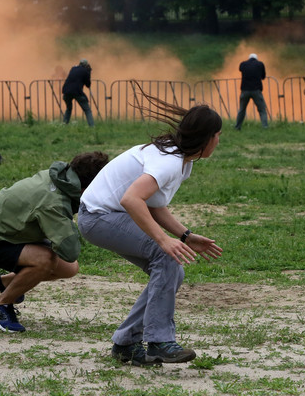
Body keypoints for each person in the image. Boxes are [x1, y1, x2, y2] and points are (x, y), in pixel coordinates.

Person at [77, 87, 224, 366]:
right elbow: (131, 199)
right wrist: (164, 241)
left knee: (172, 271)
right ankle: (159, 342)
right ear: (207, 138)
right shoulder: (169, 162)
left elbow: (152, 203)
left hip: (105, 214)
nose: (219, 141)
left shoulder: (179, 159)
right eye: (218, 136)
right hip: (97, 216)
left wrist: (185, 235)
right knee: (166, 257)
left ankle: (126, 343)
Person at [0, 151, 109, 333]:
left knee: (69, 268)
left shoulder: (61, 178)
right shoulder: (54, 202)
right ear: (87, 187)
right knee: (45, 261)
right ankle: (0, 304)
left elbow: (69, 258)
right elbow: (69, 249)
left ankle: (3, 282)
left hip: (8, 234)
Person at [233, 53, 269, 130]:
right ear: (256, 58)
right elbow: (263, 77)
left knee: (242, 109)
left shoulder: (243, 64)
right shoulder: (260, 64)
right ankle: (265, 126)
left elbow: (240, 69)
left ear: (249, 58)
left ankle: (237, 127)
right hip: (256, 90)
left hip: (245, 90)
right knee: (262, 109)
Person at [62, 59, 95, 127]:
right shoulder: (85, 71)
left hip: (66, 91)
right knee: (87, 110)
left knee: (68, 108)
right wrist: (88, 73)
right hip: (77, 92)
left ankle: (64, 124)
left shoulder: (73, 68)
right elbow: (88, 85)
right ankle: (92, 126)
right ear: (86, 65)